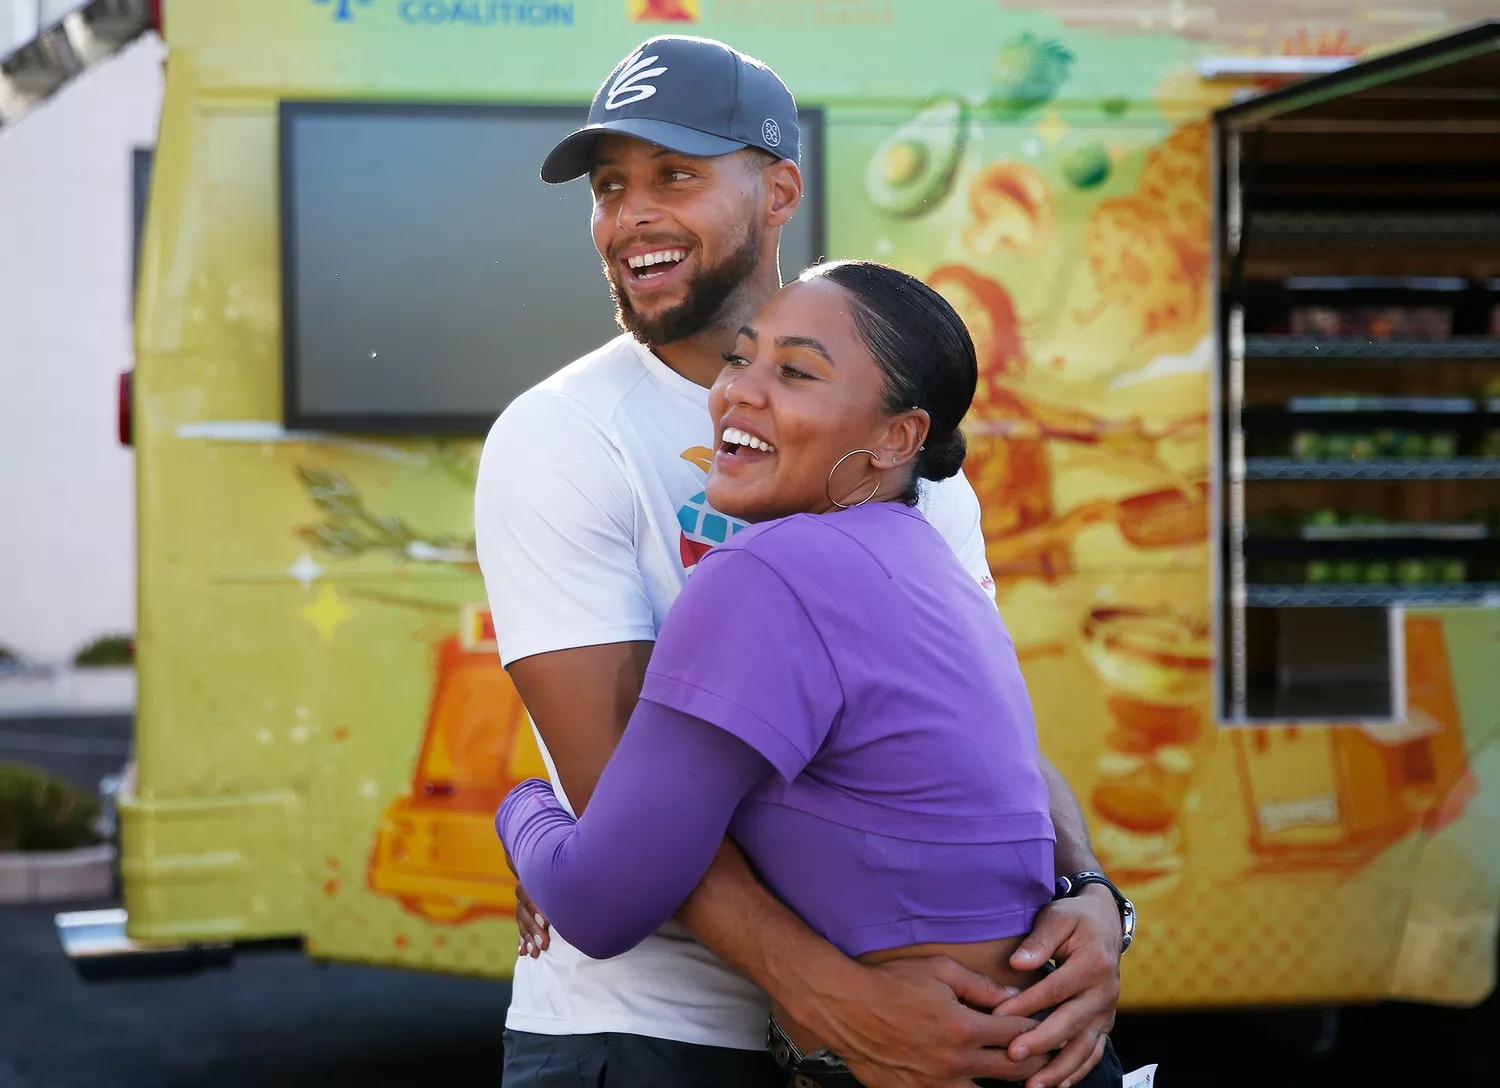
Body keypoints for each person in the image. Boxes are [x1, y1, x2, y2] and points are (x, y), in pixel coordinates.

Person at [475, 34, 1131, 1088]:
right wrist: (833, 993)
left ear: (779, 189)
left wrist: (1094, 897)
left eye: (674, 174)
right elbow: (612, 813)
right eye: (609, 186)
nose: (629, 213)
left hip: (892, 1041)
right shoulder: (559, 437)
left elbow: (985, 734)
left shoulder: (911, 460)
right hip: (656, 1032)